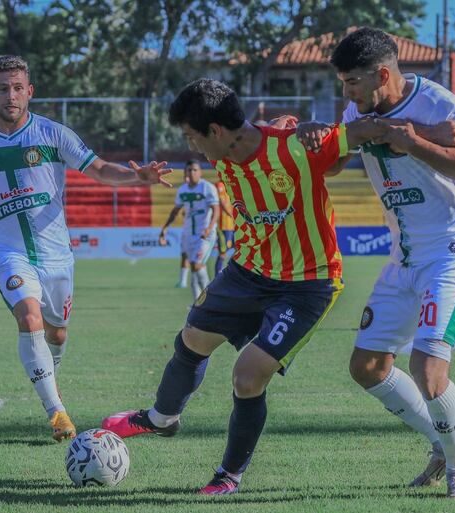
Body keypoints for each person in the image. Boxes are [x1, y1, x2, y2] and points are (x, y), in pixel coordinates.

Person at [102, 77, 394, 495]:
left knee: (247, 377)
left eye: (192, 137)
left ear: (216, 131)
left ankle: (228, 476)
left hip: (306, 284)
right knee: (192, 339)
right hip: (248, 269)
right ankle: (161, 417)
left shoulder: (293, 145)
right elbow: (278, 125)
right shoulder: (228, 149)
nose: (193, 149)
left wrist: (428, 135)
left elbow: (363, 132)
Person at [295, 27, 455, 499]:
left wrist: (415, 142)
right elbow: (336, 162)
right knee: (367, 366)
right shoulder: (357, 110)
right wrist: (319, 137)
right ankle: (443, 443)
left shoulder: (439, 104)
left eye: (353, 83)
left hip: (453, 251)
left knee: (428, 369)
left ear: (383, 74)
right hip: (402, 256)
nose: (347, 93)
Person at [0, 55, 170, 441]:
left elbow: (97, 169)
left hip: (56, 254)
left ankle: (48, 375)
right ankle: (57, 413)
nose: (10, 96)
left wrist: (136, 177)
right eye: (2, 88)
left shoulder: (53, 134)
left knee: (57, 335)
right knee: (29, 318)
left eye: (17, 88)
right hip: (6, 251)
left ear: (29, 92)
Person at [159, 160, 220, 301]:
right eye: (188, 170)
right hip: (188, 234)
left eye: (194, 170)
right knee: (193, 267)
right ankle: (198, 305)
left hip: (205, 234)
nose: (191, 173)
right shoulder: (183, 190)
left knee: (197, 265)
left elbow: (216, 210)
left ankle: (209, 300)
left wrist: (209, 228)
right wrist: (165, 228)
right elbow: (175, 211)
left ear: (200, 172)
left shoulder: (208, 188)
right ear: (185, 173)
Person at [213, 178, 235, 274]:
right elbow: (221, 202)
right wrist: (232, 215)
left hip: (233, 225)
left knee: (240, 250)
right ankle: (217, 275)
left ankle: (233, 272)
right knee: (223, 252)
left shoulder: (232, 184)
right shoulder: (219, 185)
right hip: (224, 225)